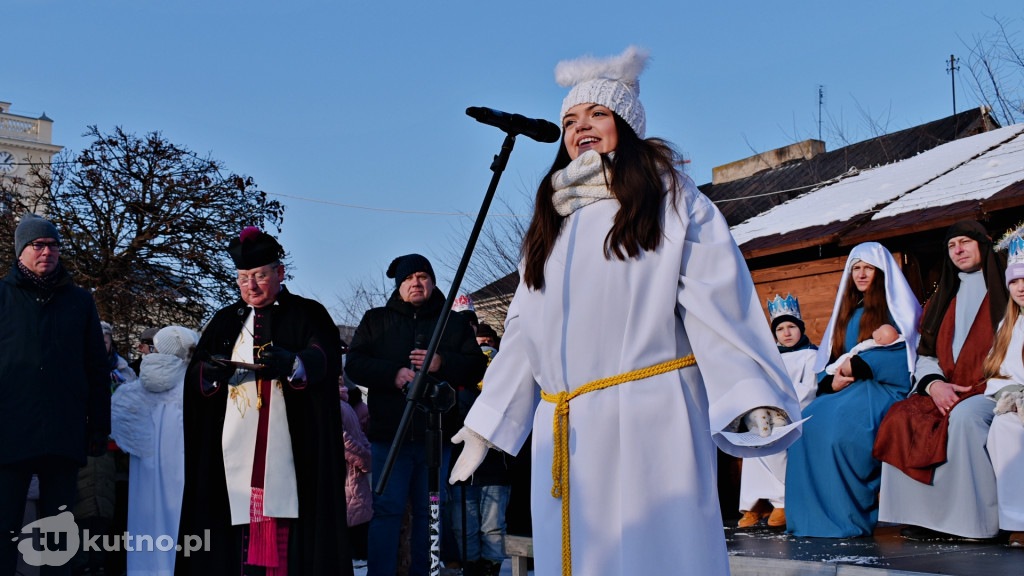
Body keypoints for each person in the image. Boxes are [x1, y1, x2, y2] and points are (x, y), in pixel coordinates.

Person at [447, 46, 802, 576]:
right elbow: (524, 332)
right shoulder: (553, 221)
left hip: (649, 412)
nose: (579, 127)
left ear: (627, 125)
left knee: (654, 556)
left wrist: (750, 389)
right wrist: (488, 424)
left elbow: (716, 300)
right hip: (566, 425)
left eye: (597, 114)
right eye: (569, 119)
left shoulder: (671, 199)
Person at [176, 227, 351, 575]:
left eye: (259, 276)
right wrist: (210, 372)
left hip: (295, 451)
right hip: (231, 451)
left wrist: (295, 364)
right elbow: (197, 376)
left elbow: (325, 357)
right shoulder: (225, 320)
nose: (251, 287)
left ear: (280, 273)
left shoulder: (308, 313)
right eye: (243, 279)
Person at [345, 254, 487, 576]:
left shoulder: (452, 323)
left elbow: (477, 365)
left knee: (431, 513)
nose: (416, 283)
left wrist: (441, 362)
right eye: (409, 279)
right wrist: (392, 373)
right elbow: (353, 363)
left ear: (433, 282)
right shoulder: (375, 320)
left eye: (422, 276)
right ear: (399, 286)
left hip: (436, 437)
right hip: (389, 436)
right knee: (386, 511)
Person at [875, 220, 1007, 540]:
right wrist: (934, 385)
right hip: (946, 387)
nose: (958, 250)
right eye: (951, 246)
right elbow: (927, 355)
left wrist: (990, 386)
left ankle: (974, 524)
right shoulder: (944, 296)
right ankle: (924, 518)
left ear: (983, 243)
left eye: (965, 242)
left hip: (994, 388)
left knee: (964, 418)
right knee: (899, 416)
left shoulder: (1009, 288)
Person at [785, 242, 922, 538]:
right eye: (855, 268)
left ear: (881, 272)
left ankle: (845, 519)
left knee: (837, 433)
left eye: (868, 268)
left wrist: (859, 366)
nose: (861, 274)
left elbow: (907, 352)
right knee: (804, 428)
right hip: (845, 391)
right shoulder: (847, 312)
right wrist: (829, 380)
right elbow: (829, 357)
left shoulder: (896, 307)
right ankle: (809, 521)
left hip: (882, 389)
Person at [0, 213, 110, 576]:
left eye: (52, 245)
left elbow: (96, 367)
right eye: (37, 245)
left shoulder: (79, 302)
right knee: (4, 529)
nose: (46, 251)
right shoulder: (2, 297)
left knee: (57, 536)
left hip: (63, 432)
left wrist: (98, 427)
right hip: (10, 433)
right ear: (21, 251)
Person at [111, 325, 197, 575]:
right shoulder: (193, 389)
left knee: (144, 524)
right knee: (178, 520)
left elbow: (118, 425)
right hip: (181, 469)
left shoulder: (132, 392)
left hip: (144, 473)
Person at [737, 294, 819, 529]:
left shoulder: (811, 355)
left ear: (800, 328)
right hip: (770, 413)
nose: (786, 333)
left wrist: (781, 408)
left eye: (791, 326)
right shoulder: (770, 359)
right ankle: (756, 504)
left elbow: (808, 388)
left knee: (776, 443)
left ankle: (783, 501)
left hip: (796, 413)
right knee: (753, 442)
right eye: (780, 328)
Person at [983, 228, 1024, 547]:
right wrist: (1008, 396)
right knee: (1003, 428)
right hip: (1017, 405)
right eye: (1014, 281)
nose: (1020, 287)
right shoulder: (1008, 325)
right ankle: (1018, 520)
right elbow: (999, 371)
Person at [338, 381, 373, 561]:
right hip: (355, 479)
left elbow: (348, 441)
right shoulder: (348, 405)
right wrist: (367, 459)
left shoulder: (340, 405)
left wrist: (366, 458)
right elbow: (353, 441)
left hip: (347, 480)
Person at [824, 323, 902, 375]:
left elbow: (858, 349)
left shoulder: (871, 346)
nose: (876, 329)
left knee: (840, 363)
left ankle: (830, 370)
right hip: (852, 360)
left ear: (879, 338)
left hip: (851, 358)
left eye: (878, 329)